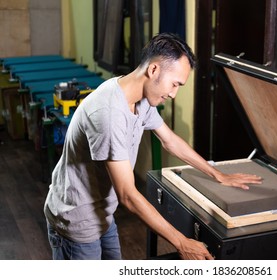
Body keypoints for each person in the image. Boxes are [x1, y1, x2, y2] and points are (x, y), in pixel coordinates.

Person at [43, 33, 262, 260]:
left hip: (102, 215)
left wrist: (217, 174)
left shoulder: (140, 98)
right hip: (76, 222)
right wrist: (181, 242)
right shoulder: (109, 114)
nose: (174, 93)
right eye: (174, 84)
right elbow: (127, 195)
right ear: (154, 70)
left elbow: (170, 140)